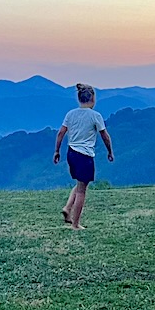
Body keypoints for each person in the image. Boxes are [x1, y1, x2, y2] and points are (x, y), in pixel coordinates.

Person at [53, 84, 114, 230]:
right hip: (84, 156)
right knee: (82, 190)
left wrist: (57, 151)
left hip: (71, 153)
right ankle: (75, 224)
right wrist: (110, 151)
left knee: (80, 183)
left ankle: (67, 208)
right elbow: (104, 135)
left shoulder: (70, 114)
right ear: (92, 98)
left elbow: (61, 133)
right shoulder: (95, 116)